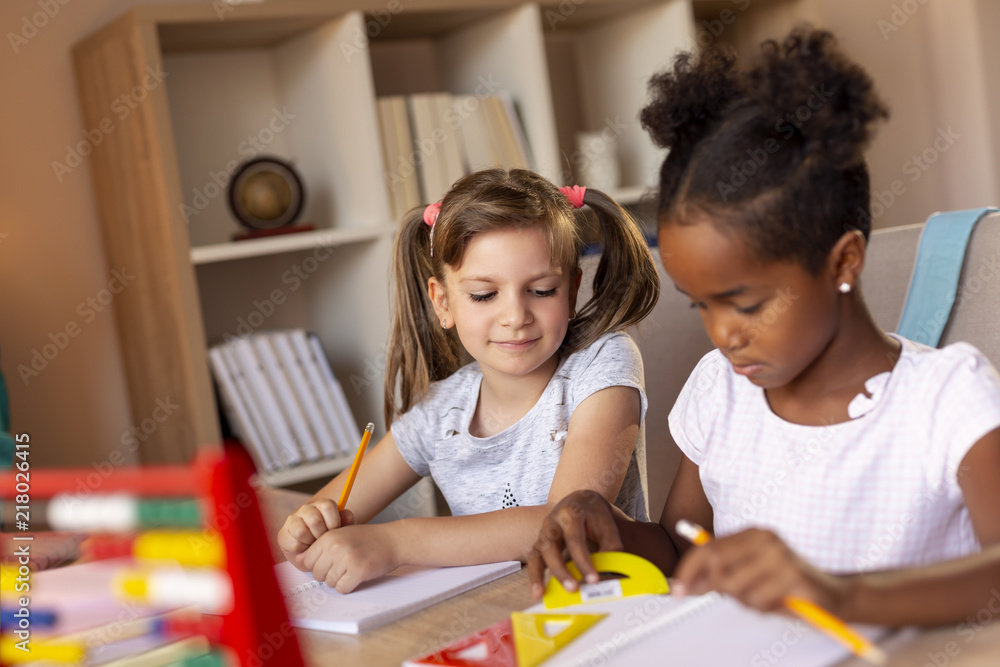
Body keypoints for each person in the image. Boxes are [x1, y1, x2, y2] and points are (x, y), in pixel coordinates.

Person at [526, 27, 1000, 626]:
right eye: (702, 305)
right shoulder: (720, 391)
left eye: (745, 304)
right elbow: (684, 547)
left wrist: (837, 593)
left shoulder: (949, 400)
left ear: (844, 261)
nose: (723, 334)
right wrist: (606, 525)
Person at [277, 168, 660, 593]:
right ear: (443, 302)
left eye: (542, 290)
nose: (515, 316)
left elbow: (570, 521)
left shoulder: (603, 365)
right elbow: (324, 510)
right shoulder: (439, 411)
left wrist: (396, 542)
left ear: (571, 291)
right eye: (483, 295)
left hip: (607, 610)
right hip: (490, 620)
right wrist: (306, 527)